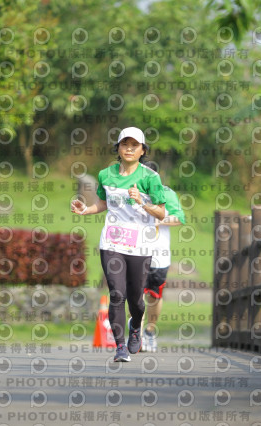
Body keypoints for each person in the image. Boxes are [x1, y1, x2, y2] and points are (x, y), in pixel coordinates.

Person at [71, 127, 166, 362]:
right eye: (125, 144)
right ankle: (120, 347)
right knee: (116, 294)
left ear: (143, 150)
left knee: (135, 299)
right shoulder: (106, 174)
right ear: (118, 148)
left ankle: (136, 325)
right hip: (112, 241)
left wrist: (142, 202)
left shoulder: (150, 177)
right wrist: (87, 209)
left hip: (140, 244)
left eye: (135, 145)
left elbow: (162, 213)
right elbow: (104, 204)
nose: (129, 148)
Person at [140, 163, 186, 352]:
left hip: (159, 255)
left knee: (154, 296)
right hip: (136, 252)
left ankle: (150, 330)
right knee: (136, 294)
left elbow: (179, 218)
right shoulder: (131, 193)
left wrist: (161, 220)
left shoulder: (167, 194)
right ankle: (137, 334)